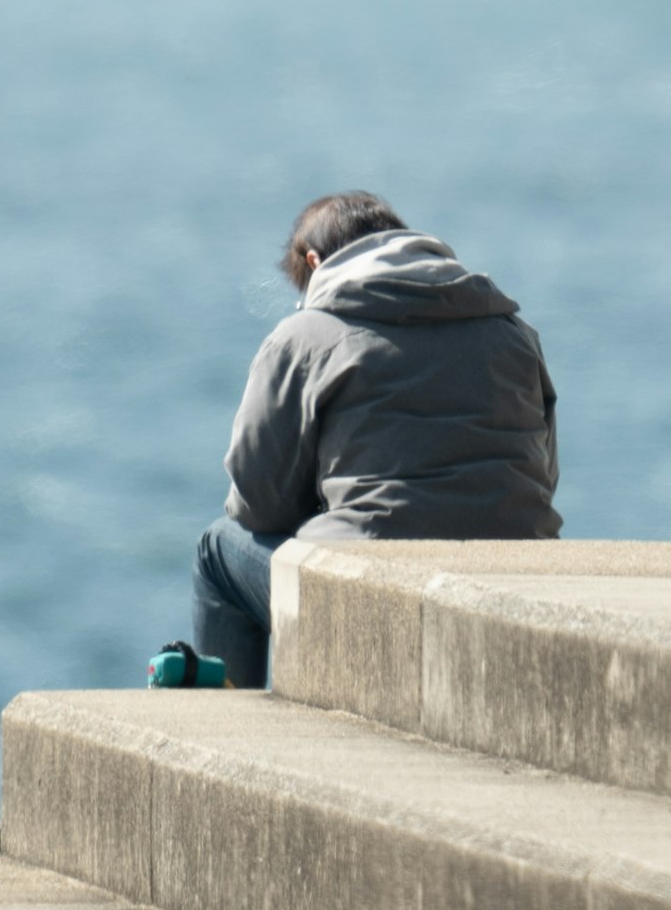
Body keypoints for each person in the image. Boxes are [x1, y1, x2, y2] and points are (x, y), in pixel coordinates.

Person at [185, 191, 558, 690]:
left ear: (314, 262)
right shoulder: (513, 331)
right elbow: (543, 473)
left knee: (217, 549)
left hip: (373, 583)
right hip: (519, 573)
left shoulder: (305, 336)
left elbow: (258, 506)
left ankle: (227, 731)